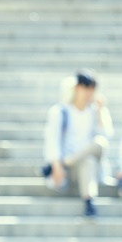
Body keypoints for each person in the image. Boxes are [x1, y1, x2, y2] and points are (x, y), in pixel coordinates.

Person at [41, 70, 112, 218]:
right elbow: (52, 139)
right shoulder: (61, 111)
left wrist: (101, 112)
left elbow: (106, 138)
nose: (88, 93)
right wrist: (56, 165)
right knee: (88, 159)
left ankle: (88, 200)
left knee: (96, 147)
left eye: (91, 89)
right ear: (76, 88)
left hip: (81, 165)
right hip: (68, 170)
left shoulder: (94, 112)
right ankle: (88, 201)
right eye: (85, 88)